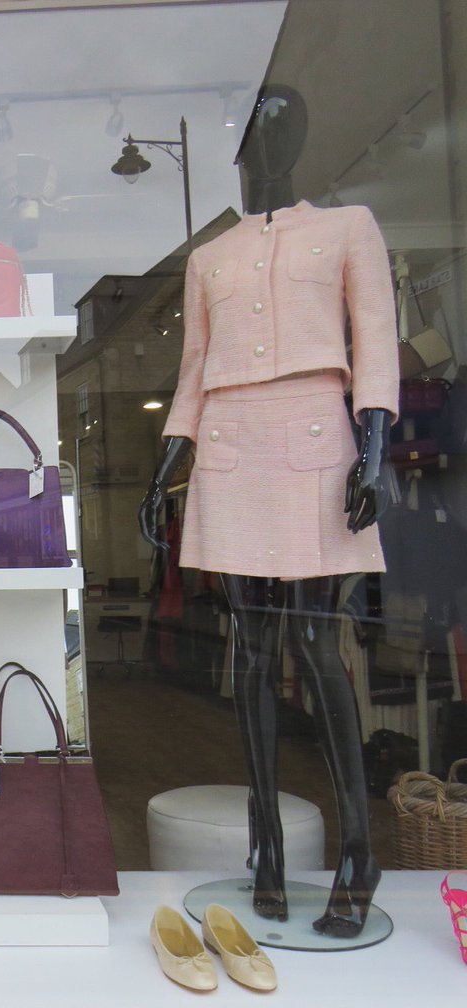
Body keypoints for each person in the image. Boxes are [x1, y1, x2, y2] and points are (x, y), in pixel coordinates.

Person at [138, 84, 397, 938]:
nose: (265, 143)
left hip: (317, 434)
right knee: (251, 648)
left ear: (301, 141)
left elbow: (377, 342)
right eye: (255, 130)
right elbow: (193, 368)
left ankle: (359, 846)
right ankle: (271, 848)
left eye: (281, 125)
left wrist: (376, 444)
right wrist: (165, 467)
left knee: (318, 646)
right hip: (232, 442)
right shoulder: (211, 255)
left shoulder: (348, 227)